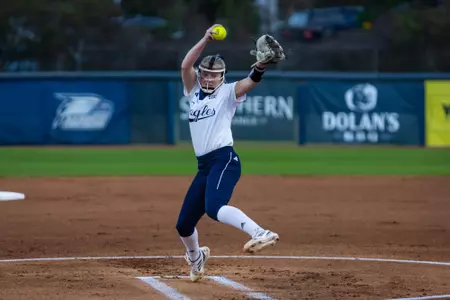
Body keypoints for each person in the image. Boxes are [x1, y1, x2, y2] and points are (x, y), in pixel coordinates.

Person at [175, 24, 284, 282]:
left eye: (215, 75)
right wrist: (204, 38)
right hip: (204, 166)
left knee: (214, 208)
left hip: (224, 159)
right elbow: (184, 66)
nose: (209, 78)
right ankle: (196, 258)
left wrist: (260, 66)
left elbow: (250, 82)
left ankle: (261, 232)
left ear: (222, 76)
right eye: (205, 74)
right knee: (183, 224)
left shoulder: (228, 93)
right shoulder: (193, 93)